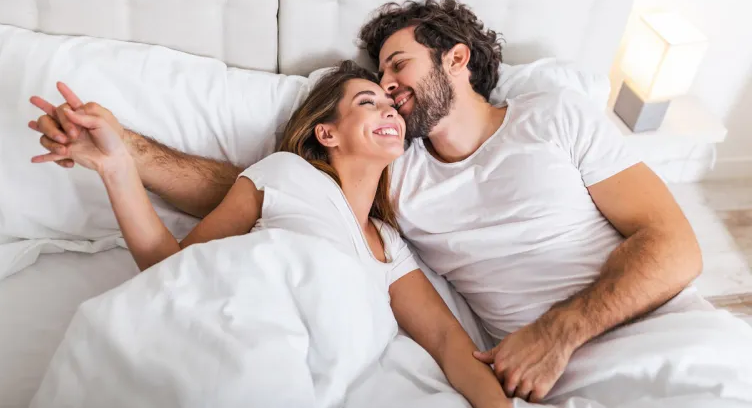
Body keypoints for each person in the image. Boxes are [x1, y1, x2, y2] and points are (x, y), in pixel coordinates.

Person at [30, 0, 706, 404]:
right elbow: (244, 195)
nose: (390, 94)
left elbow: (674, 246)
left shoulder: (552, 115)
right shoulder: (381, 174)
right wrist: (125, 154)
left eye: (397, 68)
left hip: (644, 330)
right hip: (242, 343)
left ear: (457, 59)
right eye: (375, 88)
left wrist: (551, 341)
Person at [30, 62, 510, 408]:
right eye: (369, 103)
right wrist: (117, 167)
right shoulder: (284, 173)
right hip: (242, 345)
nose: (390, 112)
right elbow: (173, 273)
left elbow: (447, 341)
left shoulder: (389, 245)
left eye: (391, 105)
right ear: (326, 133)